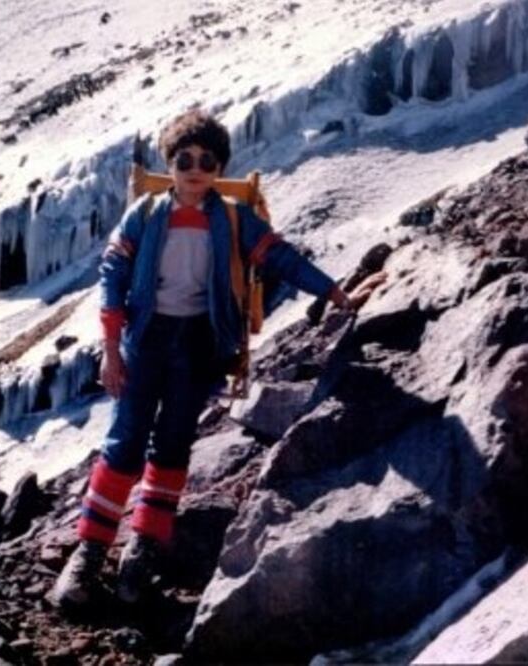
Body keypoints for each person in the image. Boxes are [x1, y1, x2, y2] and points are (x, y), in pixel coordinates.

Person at [51, 109, 386, 609]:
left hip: (198, 345)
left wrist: (337, 294)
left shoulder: (234, 218)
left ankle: (141, 550)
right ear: (170, 164)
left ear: (219, 167)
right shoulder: (144, 214)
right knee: (125, 441)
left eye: (206, 160)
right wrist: (110, 350)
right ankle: (90, 552)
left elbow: (282, 258)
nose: (195, 168)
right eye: (184, 159)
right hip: (145, 342)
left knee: (173, 443)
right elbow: (112, 277)